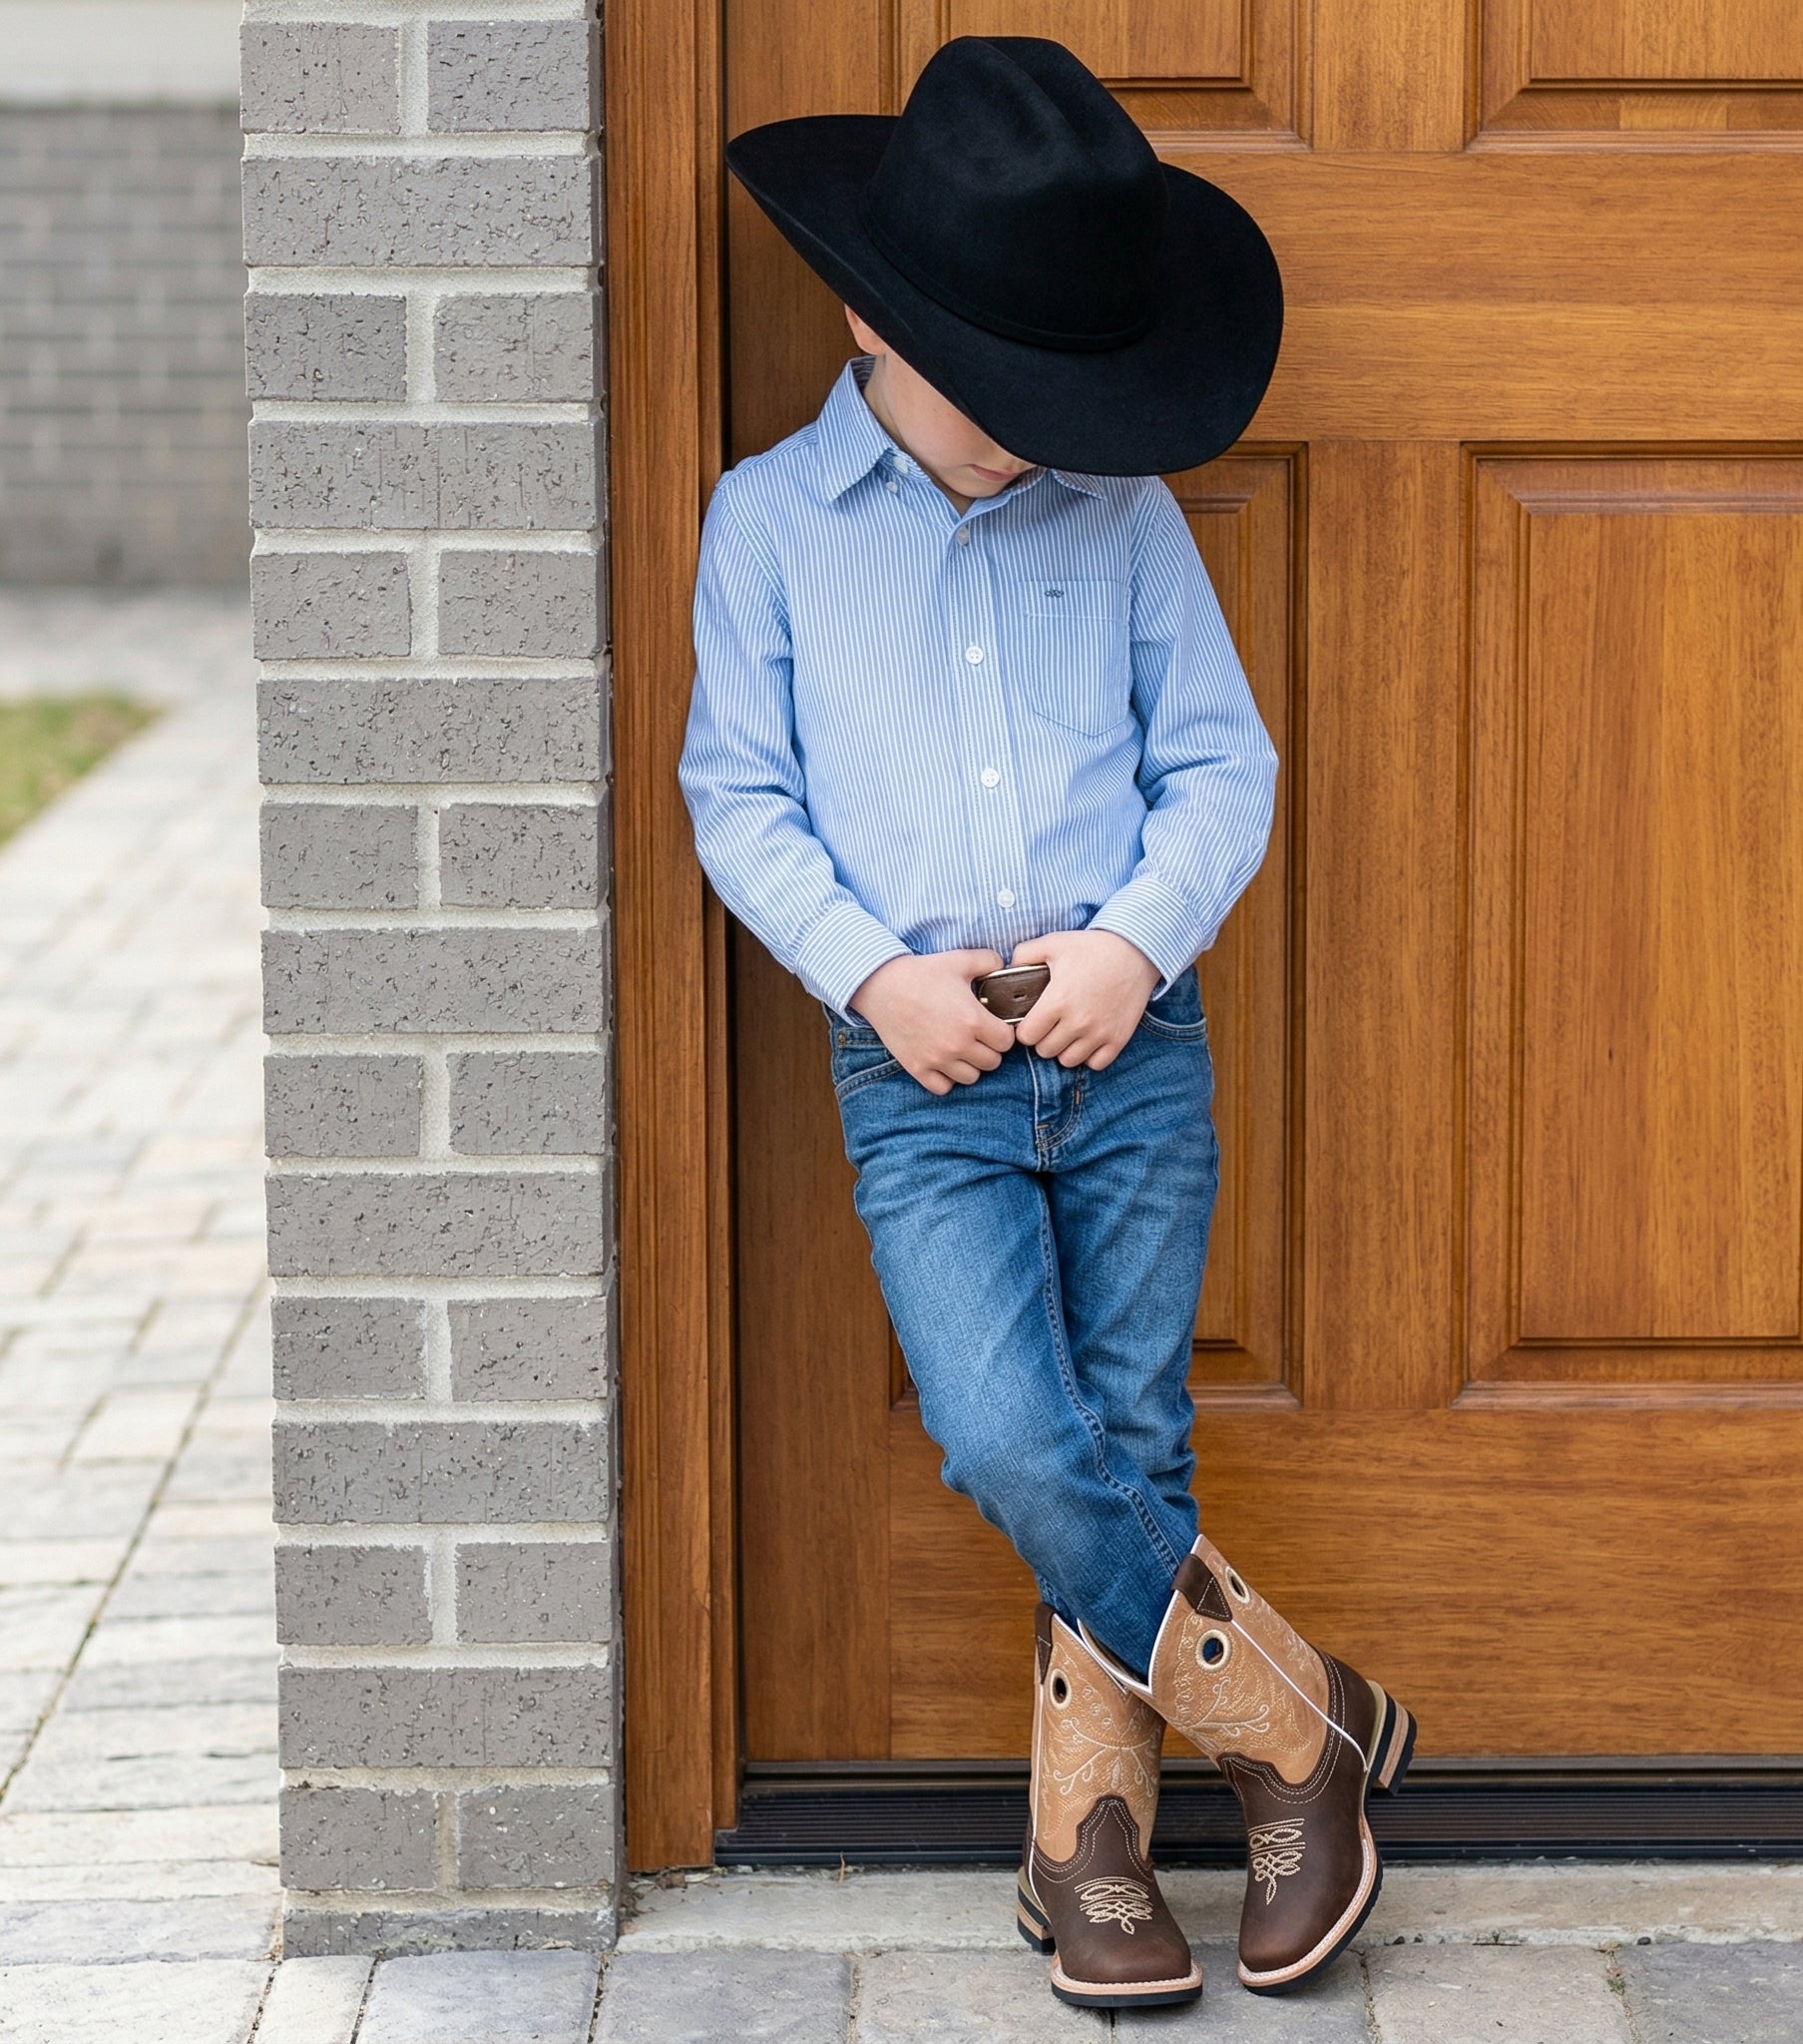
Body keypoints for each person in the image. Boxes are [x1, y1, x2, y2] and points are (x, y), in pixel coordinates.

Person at [680, 34, 1416, 2010]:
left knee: (1130, 1428)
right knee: (1011, 1427)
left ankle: (1082, 1844)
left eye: (1054, 393)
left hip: (1121, 1047)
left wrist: (1136, 945)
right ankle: (1295, 1717)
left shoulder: (1119, 512)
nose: (1030, 428)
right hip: (919, 1063)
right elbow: (736, 794)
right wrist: (873, 972)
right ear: (866, 313)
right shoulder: (769, 528)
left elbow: (1222, 766)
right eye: (992, 387)